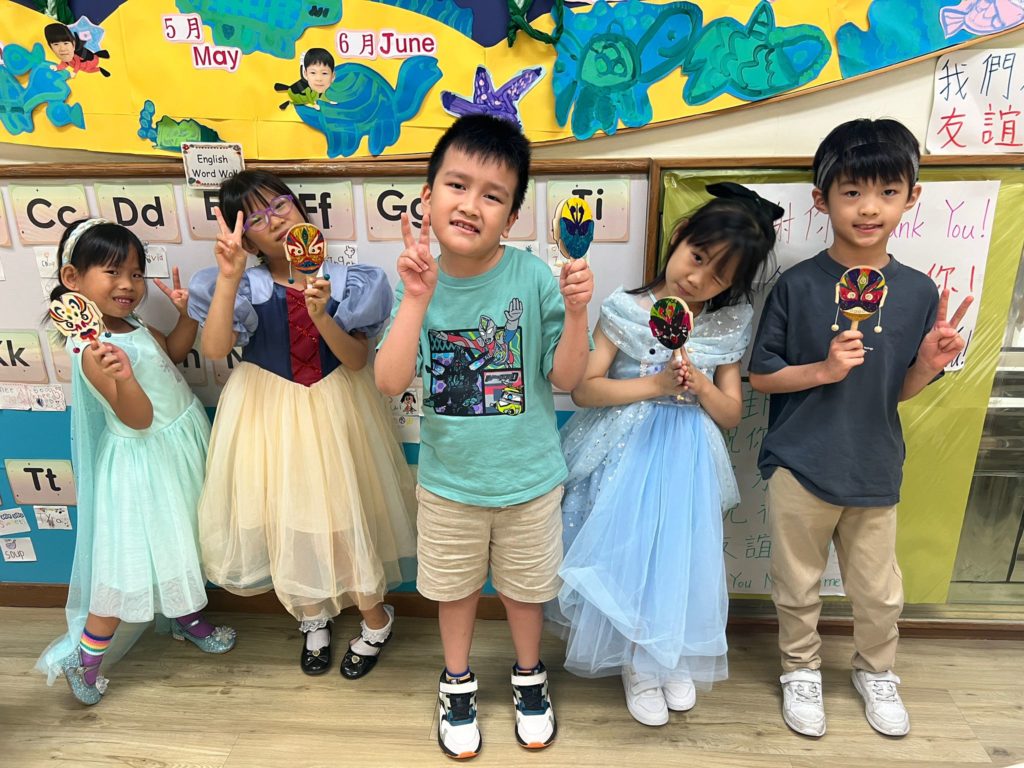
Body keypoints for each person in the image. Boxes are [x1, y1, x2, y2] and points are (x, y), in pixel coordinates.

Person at [375, 114, 593, 758]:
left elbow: (567, 378)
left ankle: (529, 675)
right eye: (457, 185)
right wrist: (417, 298)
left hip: (530, 480)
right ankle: (457, 682)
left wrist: (577, 311)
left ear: (513, 215)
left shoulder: (532, 277)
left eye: (492, 195)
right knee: (454, 591)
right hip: (450, 484)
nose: (471, 205)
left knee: (527, 592)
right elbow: (389, 379)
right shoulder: (417, 277)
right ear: (427, 196)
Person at [748, 118, 972, 738]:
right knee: (796, 585)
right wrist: (822, 370)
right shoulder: (796, 285)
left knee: (879, 592)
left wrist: (927, 365)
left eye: (887, 192)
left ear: (911, 197)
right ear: (821, 200)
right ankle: (800, 670)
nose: (869, 208)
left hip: (874, 464)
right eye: (851, 192)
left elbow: (894, 392)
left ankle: (876, 671)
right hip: (800, 462)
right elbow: (761, 377)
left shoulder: (919, 292)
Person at [553, 183, 782, 726]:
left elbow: (730, 413)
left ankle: (668, 652)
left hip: (688, 461)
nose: (699, 279)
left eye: (719, 277)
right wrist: (656, 385)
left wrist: (699, 384)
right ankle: (636, 660)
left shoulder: (728, 323)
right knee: (631, 554)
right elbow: (584, 390)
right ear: (679, 237)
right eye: (697, 257)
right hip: (625, 453)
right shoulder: (625, 310)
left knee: (678, 556)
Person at [188, 171, 416, 679]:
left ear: (300, 207)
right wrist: (228, 276)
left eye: (279, 205)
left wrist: (322, 315)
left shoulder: (352, 282)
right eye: (257, 218)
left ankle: (376, 618)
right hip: (266, 411)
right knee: (285, 515)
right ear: (246, 238)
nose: (275, 220)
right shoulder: (241, 284)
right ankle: (312, 616)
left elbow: (356, 360)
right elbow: (216, 349)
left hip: (337, 407)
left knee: (346, 515)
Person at [36, 219, 235, 706]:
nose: (128, 284)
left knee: (181, 541)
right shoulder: (92, 350)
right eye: (112, 272)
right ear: (72, 278)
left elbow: (172, 354)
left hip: (177, 449)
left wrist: (186, 316)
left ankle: (185, 617)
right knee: (126, 568)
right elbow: (138, 418)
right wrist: (123, 378)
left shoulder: (131, 325)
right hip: (143, 466)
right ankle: (85, 660)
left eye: (136, 273)